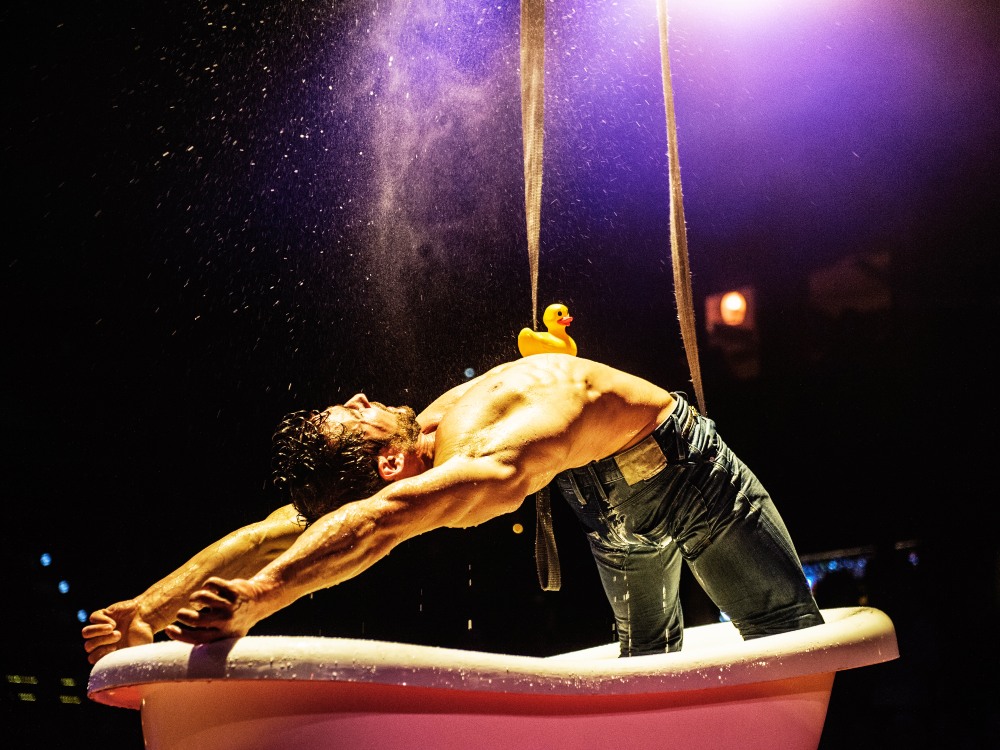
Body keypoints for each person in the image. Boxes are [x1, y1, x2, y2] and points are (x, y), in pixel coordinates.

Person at [83, 354, 822, 663]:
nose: (361, 397)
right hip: (673, 479)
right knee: (787, 646)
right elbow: (368, 524)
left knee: (661, 666)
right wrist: (251, 601)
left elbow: (280, 531)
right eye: (355, 415)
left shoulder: (436, 437)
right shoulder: (477, 463)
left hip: (619, 488)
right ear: (389, 464)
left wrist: (152, 608)